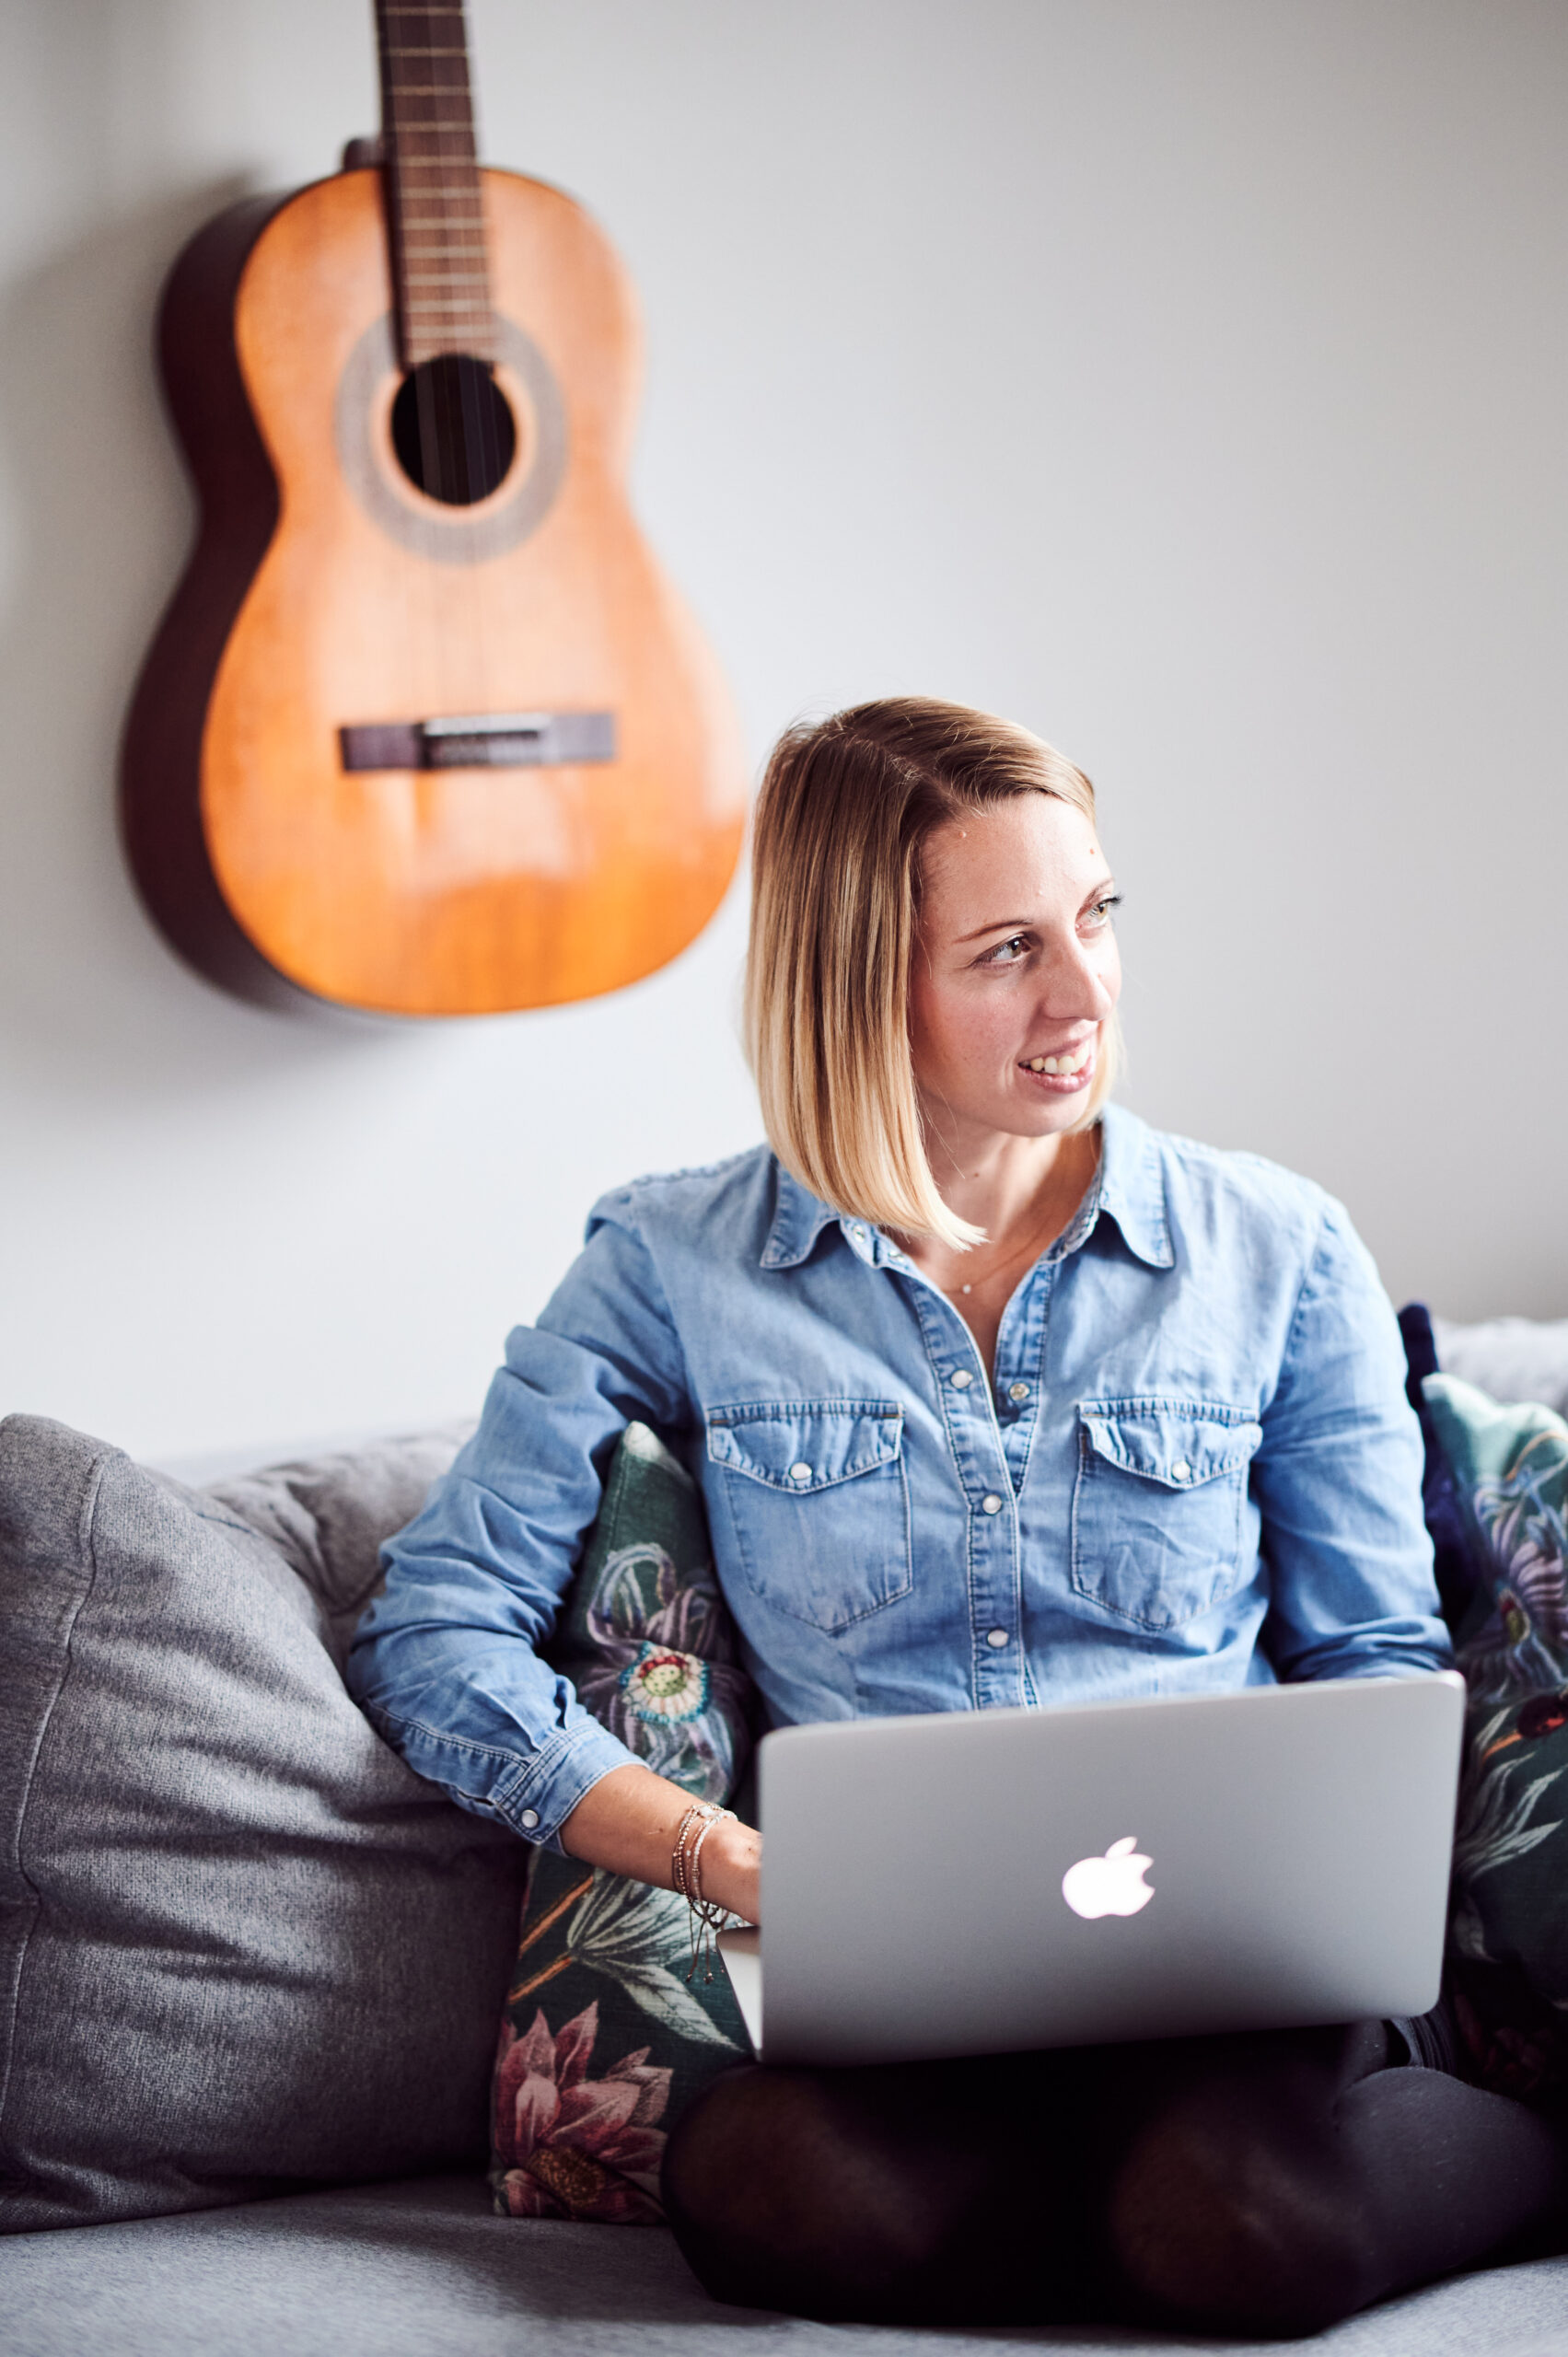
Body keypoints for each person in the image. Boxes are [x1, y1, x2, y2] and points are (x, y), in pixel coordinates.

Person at [348, 698, 1567, 2334]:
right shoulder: (670, 1263)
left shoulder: (1277, 1247)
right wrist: (727, 1860)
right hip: (910, 2013)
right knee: (758, 2189)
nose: (1084, 995)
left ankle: (1425, 2169)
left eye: (1097, 916)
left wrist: (1329, 1899)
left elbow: (1373, 1650)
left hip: (1228, 1994)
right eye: (1007, 950)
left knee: (1242, 2216)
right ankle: (1155, 2234)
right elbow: (434, 1629)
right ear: (861, 985)